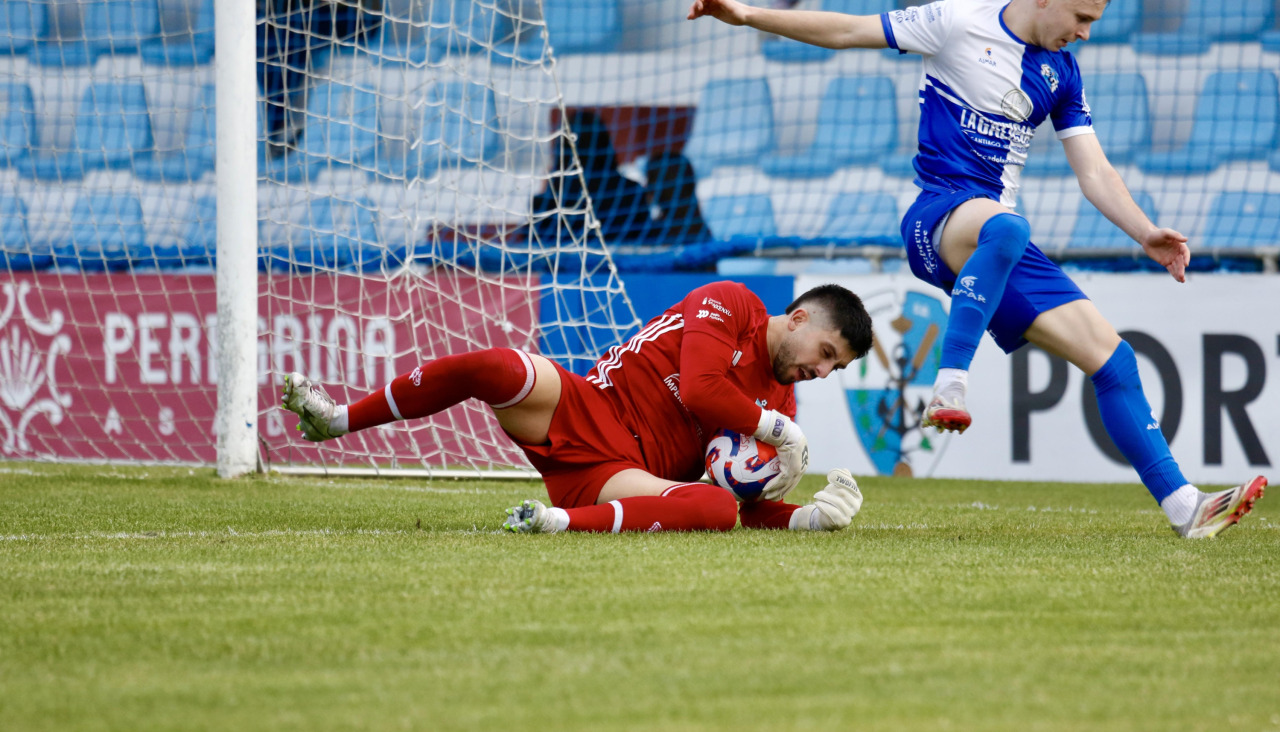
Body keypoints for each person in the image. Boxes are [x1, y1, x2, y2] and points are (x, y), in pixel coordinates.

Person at [688, 0, 1266, 538]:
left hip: (997, 243)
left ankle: (1184, 507)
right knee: (1008, 227)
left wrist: (1146, 233)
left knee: (1114, 361)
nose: (1085, 32)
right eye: (1082, 15)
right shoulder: (959, 21)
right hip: (939, 216)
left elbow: (1093, 171)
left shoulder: (1062, 74)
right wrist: (744, 15)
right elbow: (846, 30)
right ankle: (951, 381)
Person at [281, 282, 874, 533]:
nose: (821, 373)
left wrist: (806, 516)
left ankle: (558, 522)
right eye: (824, 353)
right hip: (587, 407)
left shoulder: (782, 401)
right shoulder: (734, 303)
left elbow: (739, 507)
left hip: (623, 478)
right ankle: (337, 419)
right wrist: (777, 427)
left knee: (716, 508)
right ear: (797, 318)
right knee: (497, 368)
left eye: (835, 369)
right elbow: (699, 388)